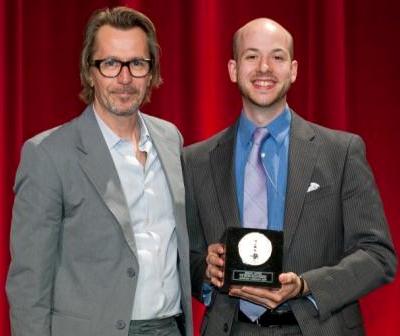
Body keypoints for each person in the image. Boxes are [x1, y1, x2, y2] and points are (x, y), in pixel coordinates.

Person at [182, 18, 396, 336]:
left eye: (277, 57)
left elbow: (378, 256)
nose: (264, 68)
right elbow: (185, 257)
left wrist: (306, 286)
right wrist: (205, 271)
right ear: (232, 69)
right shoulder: (195, 160)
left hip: (320, 327)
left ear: (293, 70)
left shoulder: (342, 152)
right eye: (251, 56)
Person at [6, 6, 192, 336]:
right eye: (110, 64)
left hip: (169, 328)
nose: (124, 78)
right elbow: (28, 284)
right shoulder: (48, 155)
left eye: (136, 63)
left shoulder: (170, 139)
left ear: (151, 73)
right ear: (90, 72)